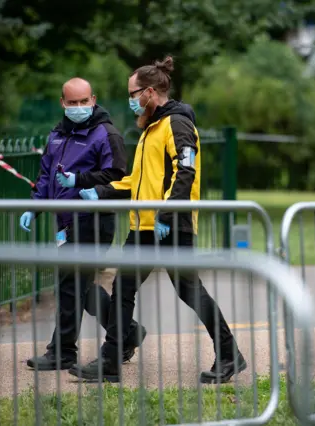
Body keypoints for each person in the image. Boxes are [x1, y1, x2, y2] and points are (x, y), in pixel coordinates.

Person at [70, 56, 246, 384]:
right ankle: (112, 358)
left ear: (150, 92)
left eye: (133, 94)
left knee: (189, 291)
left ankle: (228, 353)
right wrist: (95, 190)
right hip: (146, 226)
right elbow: (135, 181)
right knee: (125, 286)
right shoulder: (153, 127)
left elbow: (186, 170)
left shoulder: (177, 123)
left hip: (168, 226)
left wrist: (167, 213)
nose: (131, 101)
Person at [20, 77, 147, 370]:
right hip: (65, 223)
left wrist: (80, 181)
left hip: (93, 221)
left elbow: (117, 178)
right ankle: (126, 332)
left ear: (93, 99)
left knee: (70, 283)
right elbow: (46, 177)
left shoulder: (106, 134)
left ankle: (62, 352)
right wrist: (34, 207)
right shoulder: (56, 135)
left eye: (83, 101)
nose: (78, 107)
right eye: (72, 103)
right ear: (63, 103)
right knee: (78, 284)